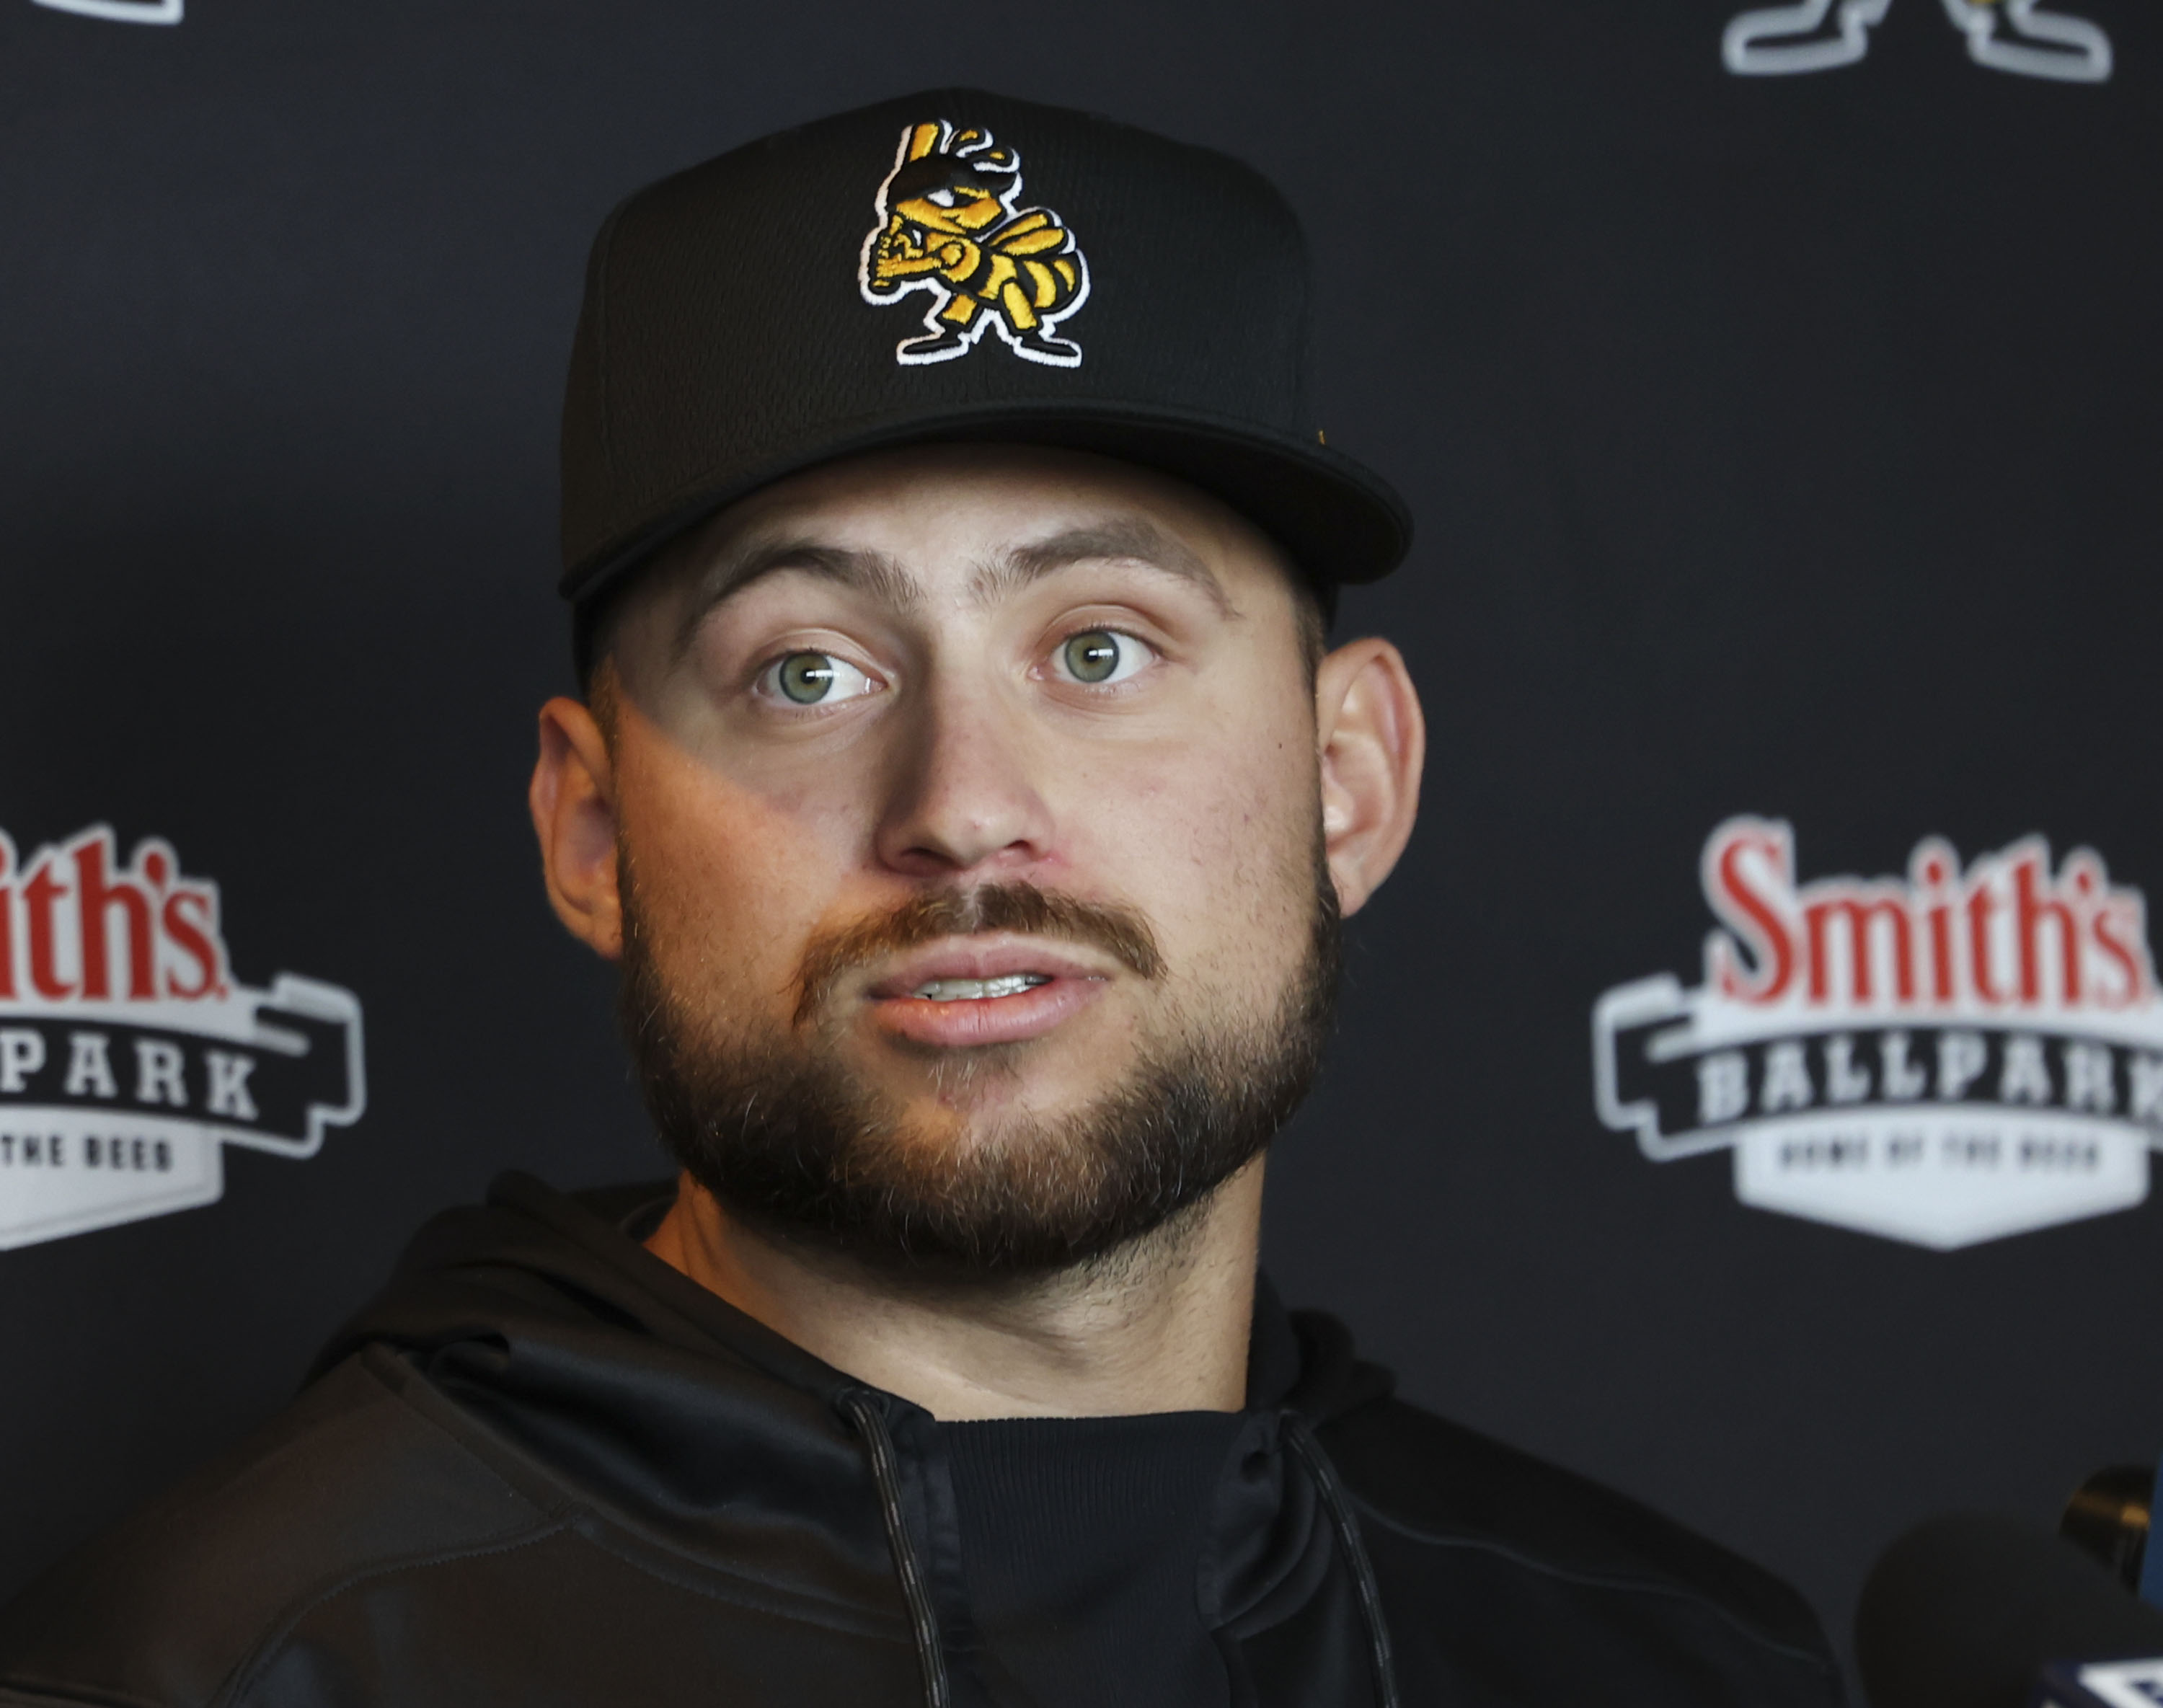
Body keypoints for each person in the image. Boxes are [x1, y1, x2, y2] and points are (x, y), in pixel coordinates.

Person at [0, 89, 1843, 1707]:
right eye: (809, 672)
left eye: (1102, 647)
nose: (965, 811)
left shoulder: (1673, 1658)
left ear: (1351, 779)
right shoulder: (226, 1671)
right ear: (589, 830)